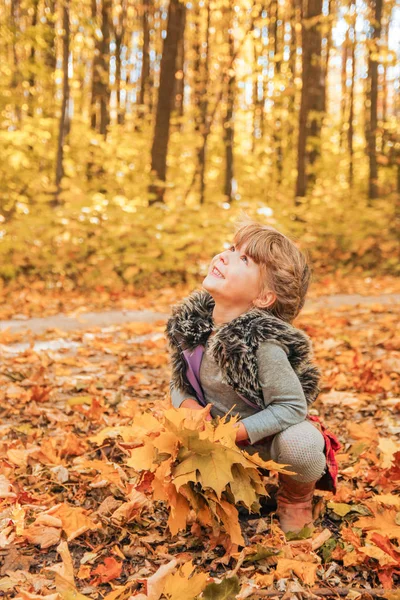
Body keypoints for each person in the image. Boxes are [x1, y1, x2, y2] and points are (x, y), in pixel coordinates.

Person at [165, 215, 340, 534]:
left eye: (242, 258)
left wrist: (237, 432)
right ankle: (232, 486)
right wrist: (187, 406)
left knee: (300, 444)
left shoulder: (262, 345)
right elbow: (181, 382)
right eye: (231, 248)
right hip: (216, 437)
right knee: (166, 431)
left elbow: (292, 407)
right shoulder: (194, 326)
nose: (224, 256)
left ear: (263, 298)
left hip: (265, 437)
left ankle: (295, 498)